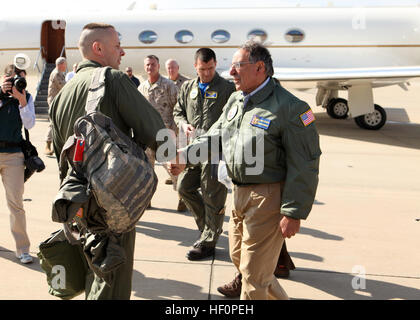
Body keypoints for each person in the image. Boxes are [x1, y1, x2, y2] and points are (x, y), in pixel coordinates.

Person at [170, 41, 321, 299]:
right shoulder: (237, 100)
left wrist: (294, 211)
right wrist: (185, 156)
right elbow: (216, 136)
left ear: (260, 68)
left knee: (252, 277)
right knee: (244, 263)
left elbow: (305, 163)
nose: (231, 73)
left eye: (237, 66)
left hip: (268, 197)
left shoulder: (291, 108)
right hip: (238, 194)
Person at [49, 23, 171, 300]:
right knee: (111, 283)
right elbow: (155, 129)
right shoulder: (113, 79)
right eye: (117, 46)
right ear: (98, 48)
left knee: (94, 272)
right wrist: (176, 157)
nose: (123, 52)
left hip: (78, 203)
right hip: (113, 203)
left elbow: (60, 158)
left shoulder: (60, 97)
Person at [173, 48, 235, 260]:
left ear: (215, 64)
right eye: (202, 69)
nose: (206, 73)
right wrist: (183, 124)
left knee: (213, 196)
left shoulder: (227, 89)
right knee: (183, 187)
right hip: (193, 150)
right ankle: (208, 229)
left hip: (215, 151)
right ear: (195, 66)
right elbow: (178, 110)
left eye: (210, 68)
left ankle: (209, 242)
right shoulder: (188, 87)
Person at [139, 55, 185, 211]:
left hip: (166, 134)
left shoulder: (168, 85)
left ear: (158, 66)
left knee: (173, 169)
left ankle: (182, 197)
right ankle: (147, 200)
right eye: (147, 65)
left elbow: (178, 108)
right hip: (147, 136)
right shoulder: (142, 87)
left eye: (153, 64)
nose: (150, 67)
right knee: (146, 171)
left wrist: (175, 133)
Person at [0, 64, 35, 264]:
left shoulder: (26, 98)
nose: (12, 84)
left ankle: (23, 249)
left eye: (16, 80)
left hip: (14, 156)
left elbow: (29, 124)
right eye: (9, 79)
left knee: (16, 205)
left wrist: (21, 100)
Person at [45, 56, 67, 156]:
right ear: (60, 64)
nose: (66, 66)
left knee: (57, 123)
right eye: (64, 64)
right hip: (54, 102)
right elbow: (63, 86)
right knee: (53, 123)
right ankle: (47, 145)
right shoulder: (56, 73)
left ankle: (55, 145)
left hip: (57, 101)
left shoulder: (59, 73)